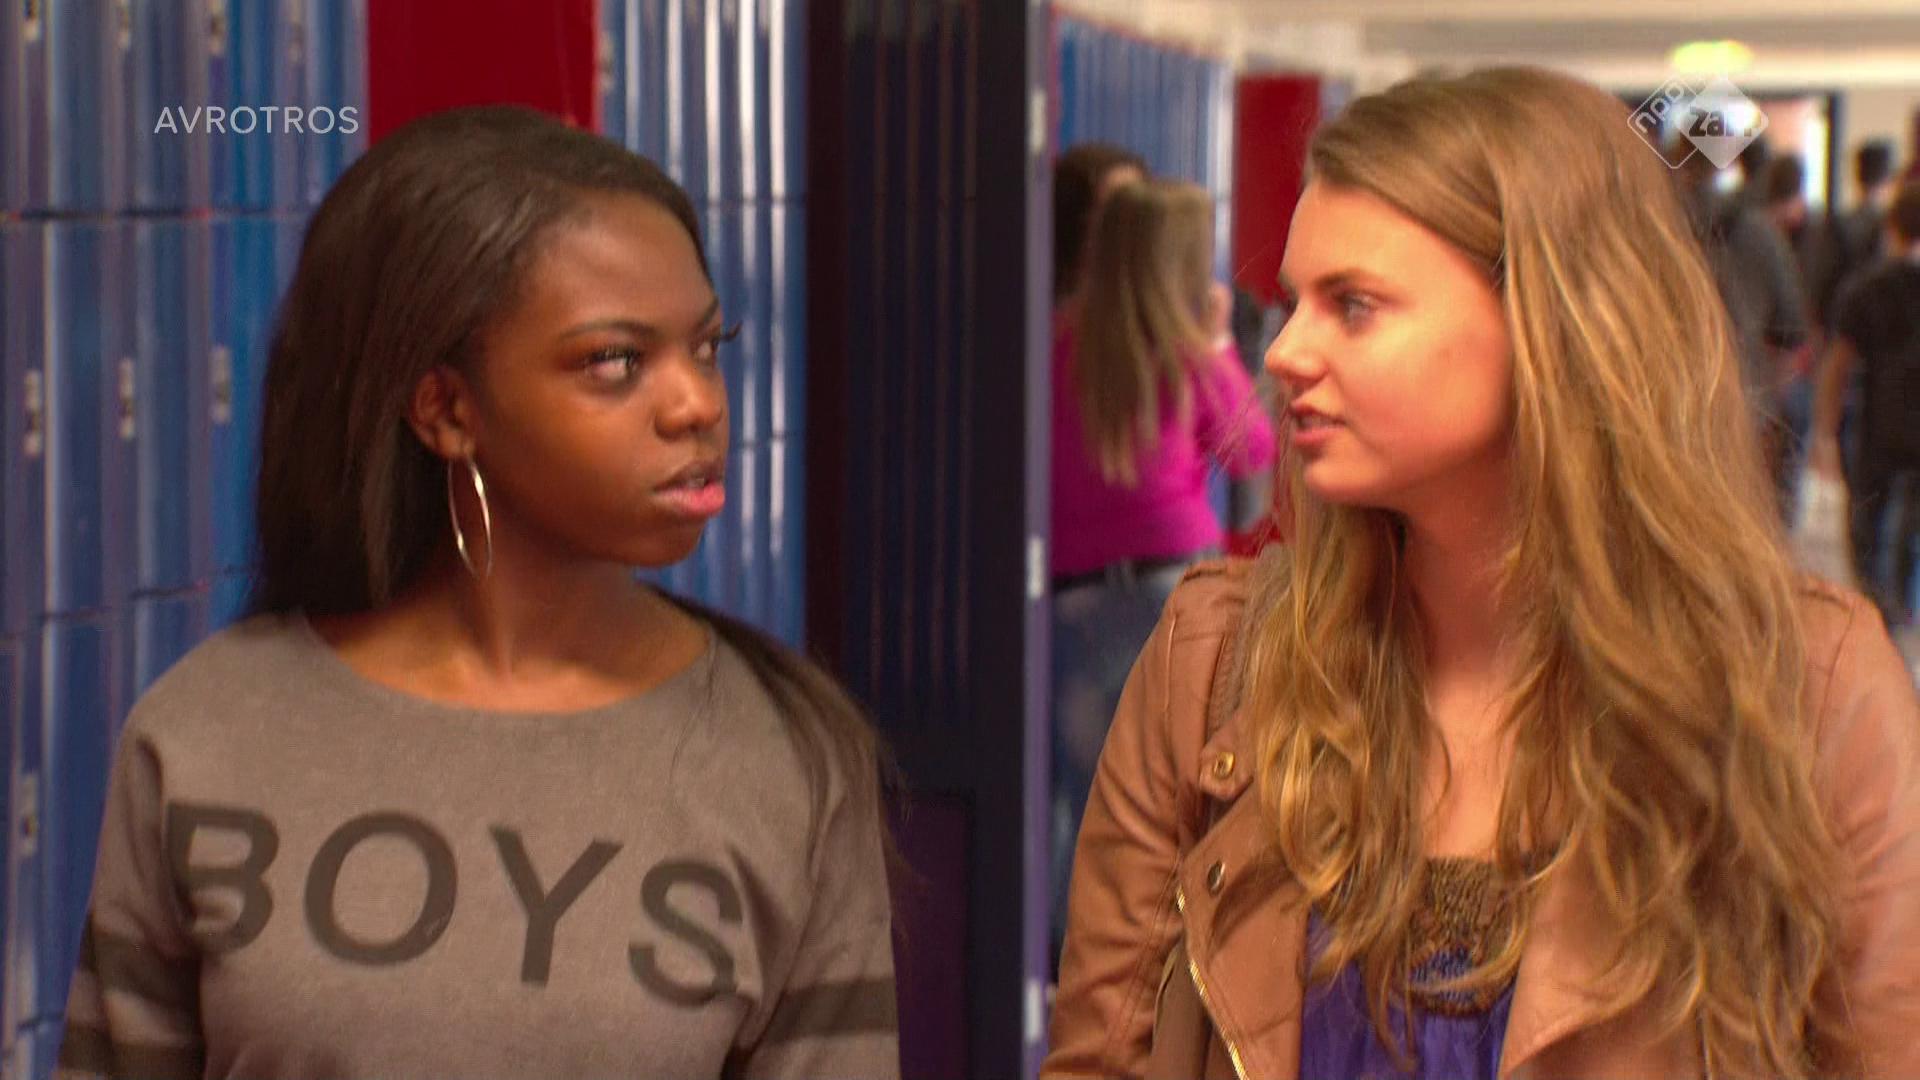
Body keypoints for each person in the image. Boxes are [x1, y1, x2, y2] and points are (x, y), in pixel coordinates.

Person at [1048, 67, 1920, 1080]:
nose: (1283, 352)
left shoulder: (1814, 692)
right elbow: (1100, 1056)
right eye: (1292, 301)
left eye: (1353, 305)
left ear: (1550, 326)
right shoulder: (1213, 666)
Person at [56, 106, 899, 1080]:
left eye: (707, 346)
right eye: (617, 362)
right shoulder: (206, 734)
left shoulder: (787, 757)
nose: (697, 404)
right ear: (447, 409)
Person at [1048, 179, 1276, 967]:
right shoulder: (1183, 351)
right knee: (1182, 790)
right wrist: (1218, 346)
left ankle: (1079, 965)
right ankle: (1178, 965)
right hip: (1175, 591)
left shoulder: (1056, 347)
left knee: (1087, 800)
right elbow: (1253, 450)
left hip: (1072, 600)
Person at [1812, 178, 1920, 629]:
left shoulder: (1868, 287)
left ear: (1892, 227)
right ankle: (1904, 605)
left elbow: (1837, 365)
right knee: (1910, 530)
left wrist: (1824, 432)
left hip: (1877, 428)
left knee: (1867, 526)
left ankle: (1874, 610)